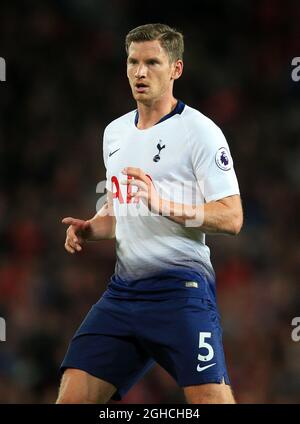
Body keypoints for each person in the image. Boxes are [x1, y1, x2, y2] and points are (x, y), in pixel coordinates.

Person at [56, 23, 243, 404]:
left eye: (153, 62)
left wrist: (166, 206)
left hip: (181, 294)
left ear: (176, 69)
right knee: (72, 397)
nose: (140, 73)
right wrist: (91, 229)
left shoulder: (200, 132)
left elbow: (232, 217)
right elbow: (121, 213)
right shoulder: (114, 134)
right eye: (133, 62)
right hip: (123, 295)